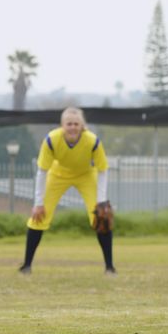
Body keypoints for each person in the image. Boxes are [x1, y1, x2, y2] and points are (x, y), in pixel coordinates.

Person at [19, 107, 116, 275]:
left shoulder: (93, 141)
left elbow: (102, 170)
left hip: (86, 175)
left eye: (76, 124)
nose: (72, 127)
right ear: (62, 125)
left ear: (82, 126)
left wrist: (101, 201)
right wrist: (38, 203)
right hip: (58, 174)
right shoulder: (51, 139)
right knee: (39, 217)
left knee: (101, 218)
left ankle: (109, 267)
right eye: (69, 124)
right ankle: (26, 266)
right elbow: (42, 171)